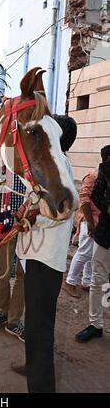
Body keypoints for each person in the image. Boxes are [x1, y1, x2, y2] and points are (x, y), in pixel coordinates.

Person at [13, 114, 77, 393]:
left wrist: (35, 213)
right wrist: (25, 210)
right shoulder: (51, 167)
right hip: (35, 255)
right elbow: (37, 199)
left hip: (46, 259)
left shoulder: (61, 166)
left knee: (41, 327)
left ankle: (41, 387)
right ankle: (31, 366)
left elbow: (62, 209)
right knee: (34, 321)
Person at [75, 145, 110, 343]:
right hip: (105, 234)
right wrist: (107, 208)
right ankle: (96, 324)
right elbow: (92, 196)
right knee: (98, 280)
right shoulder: (104, 170)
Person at [0, 174, 26, 342]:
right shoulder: (2, 165)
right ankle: (3, 310)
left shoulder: (32, 166)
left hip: (28, 229)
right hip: (4, 227)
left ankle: (14, 320)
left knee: (22, 275)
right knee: (2, 273)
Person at [63, 167, 99, 297]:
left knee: (91, 253)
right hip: (90, 221)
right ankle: (70, 282)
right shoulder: (94, 176)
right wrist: (89, 223)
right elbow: (84, 199)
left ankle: (86, 282)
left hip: (97, 221)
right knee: (84, 252)